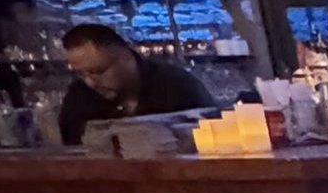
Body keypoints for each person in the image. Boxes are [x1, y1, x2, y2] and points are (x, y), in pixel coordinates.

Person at [57, 20, 213, 147]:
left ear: (127, 56)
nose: (90, 82)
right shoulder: (79, 95)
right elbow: (73, 148)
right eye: (82, 74)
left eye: (99, 71)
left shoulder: (177, 86)